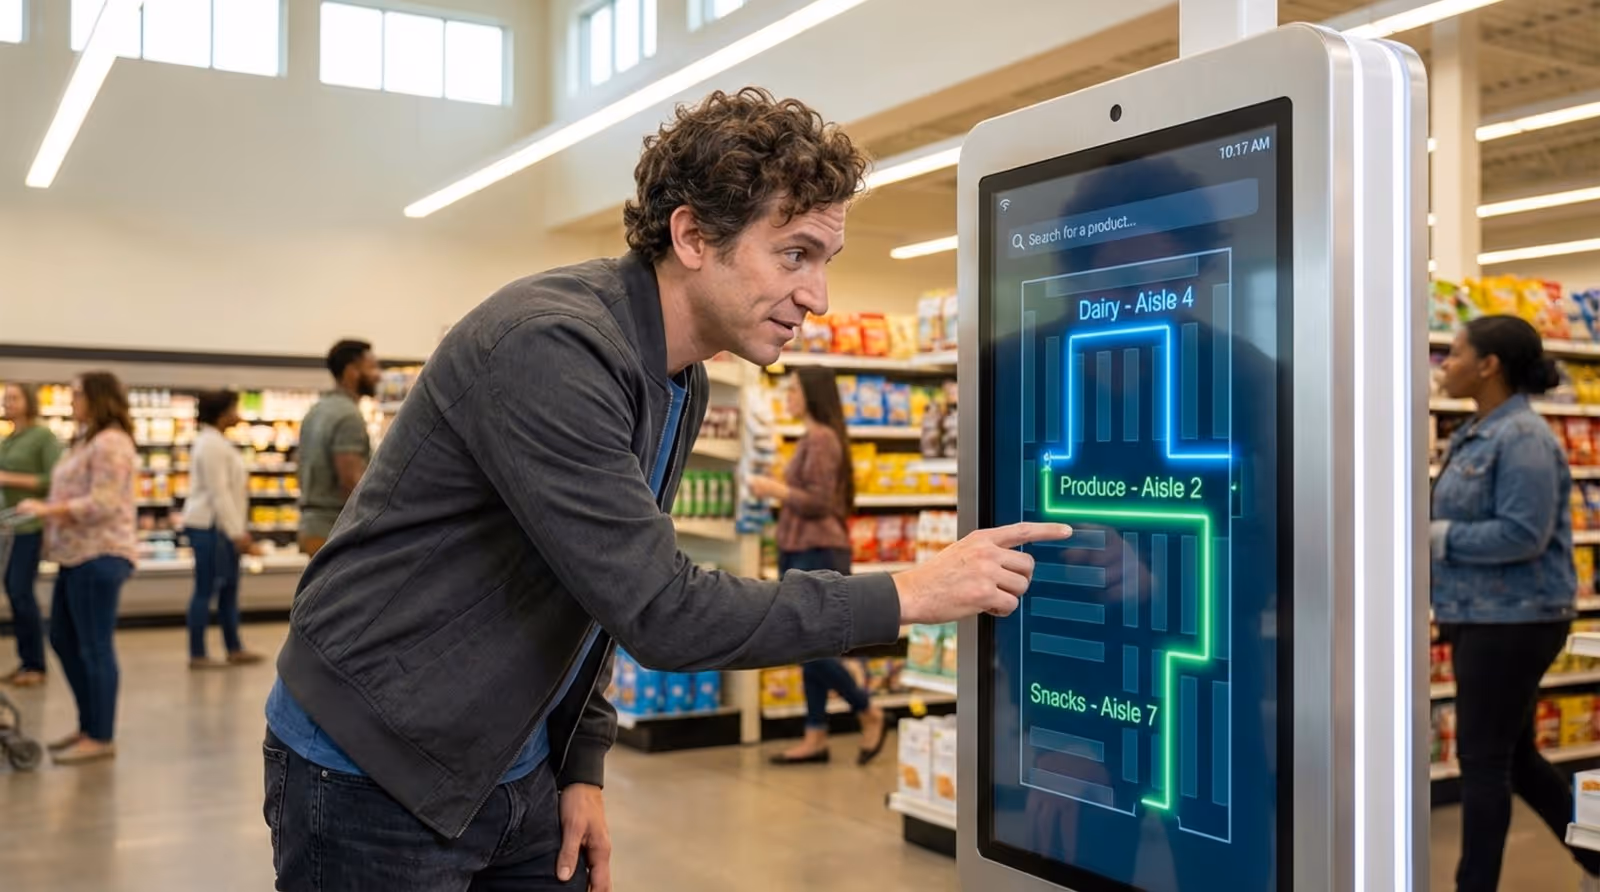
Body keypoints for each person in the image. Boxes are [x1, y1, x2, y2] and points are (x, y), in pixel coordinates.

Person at [262, 87, 1065, 892]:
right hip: (373, 764)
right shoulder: (553, 348)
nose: (818, 297)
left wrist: (578, 764)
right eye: (795, 255)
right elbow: (661, 613)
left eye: (826, 263)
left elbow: (600, 590)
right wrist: (908, 592)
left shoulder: (680, 378)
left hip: (516, 758)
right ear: (691, 235)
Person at [1432, 315, 1600, 892]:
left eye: (1454, 354)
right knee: (1517, 757)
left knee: (1483, 763)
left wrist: (1436, 537)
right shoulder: (1473, 432)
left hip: (1514, 619)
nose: (1445, 365)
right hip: (1481, 615)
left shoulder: (1523, 438)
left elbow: (1522, 534)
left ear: (1489, 365)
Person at [748, 367, 886, 766]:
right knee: (808, 645)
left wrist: (774, 489)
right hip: (800, 548)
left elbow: (821, 502)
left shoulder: (822, 439)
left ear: (811, 393)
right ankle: (815, 735)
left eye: (793, 390)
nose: (787, 397)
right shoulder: (811, 438)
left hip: (818, 550)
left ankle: (867, 709)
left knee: (808, 642)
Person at [16, 371, 137, 766]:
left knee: (94, 646)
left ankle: (101, 736)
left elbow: (102, 502)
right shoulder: (85, 440)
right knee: (64, 639)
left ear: (97, 397)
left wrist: (47, 509)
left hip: (99, 554)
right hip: (73, 555)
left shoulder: (112, 442)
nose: (72, 401)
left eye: (77, 394)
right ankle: (88, 725)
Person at [182, 390, 264, 670]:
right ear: (222, 413)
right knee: (206, 589)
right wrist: (236, 533)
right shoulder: (211, 445)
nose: (238, 414)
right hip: (211, 528)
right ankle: (198, 653)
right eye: (234, 409)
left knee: (228, 588)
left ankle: (234, 647)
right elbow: (220, 495)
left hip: (221, 528)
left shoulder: (215, 443)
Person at [0, 383, 63, 687]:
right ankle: (26, 661)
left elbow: (54, 480)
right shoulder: (9, 438)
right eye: (5, 398)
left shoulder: (43, 437)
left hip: (32, 527)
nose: (6, 403)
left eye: (13, 398)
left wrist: (9, 478)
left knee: (20, 591)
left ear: (29, 402)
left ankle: (36, 664)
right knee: (14, 592)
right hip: (10, 526)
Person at [296, 339, 379, 556]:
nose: (378, 375)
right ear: (352, 372)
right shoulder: (349, 416)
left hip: (311, 525)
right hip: (334, 529)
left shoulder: (316, 410)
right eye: (371, 367)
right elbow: (351, 480)